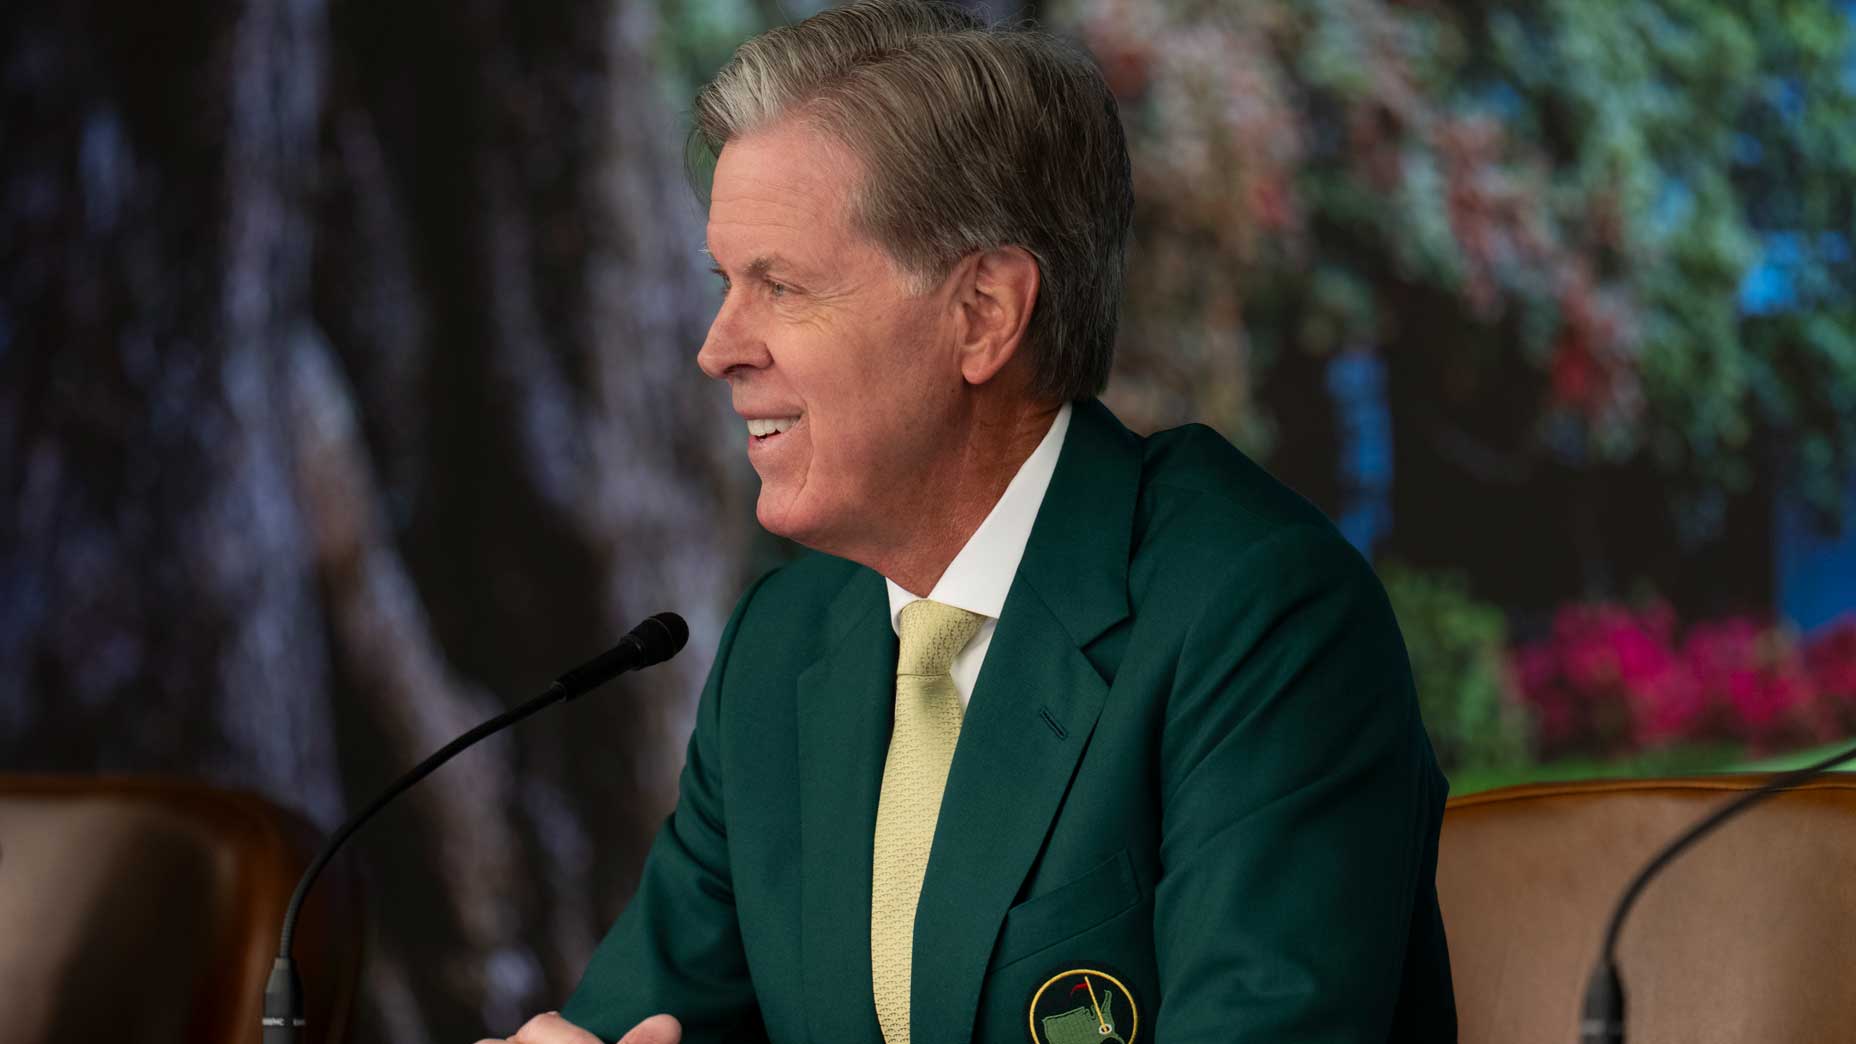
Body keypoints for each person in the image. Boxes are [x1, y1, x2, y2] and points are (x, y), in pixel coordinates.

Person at [482, 2, 1455, 1042]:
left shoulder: (1259, 617)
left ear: (983, 313)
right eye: (726, 283)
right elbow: (640, 1020)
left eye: (780, 286)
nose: (717, 348)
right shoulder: (781, 650)